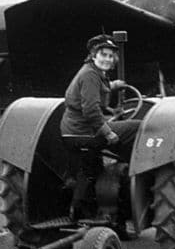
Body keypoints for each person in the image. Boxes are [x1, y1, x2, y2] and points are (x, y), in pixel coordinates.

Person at [60, 34, 140, 220]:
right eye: (103, 54)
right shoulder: (90, 75)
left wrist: (114, 86)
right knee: (139, 128)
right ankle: (131, 180)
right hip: (85, 132)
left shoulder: (92, 72)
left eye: (111, 56)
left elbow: (95, 93)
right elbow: (91, 111)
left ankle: (79, 210)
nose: (107, 59)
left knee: (90, 171)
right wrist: (109, 132)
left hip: (71, 132)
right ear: (93, 55)